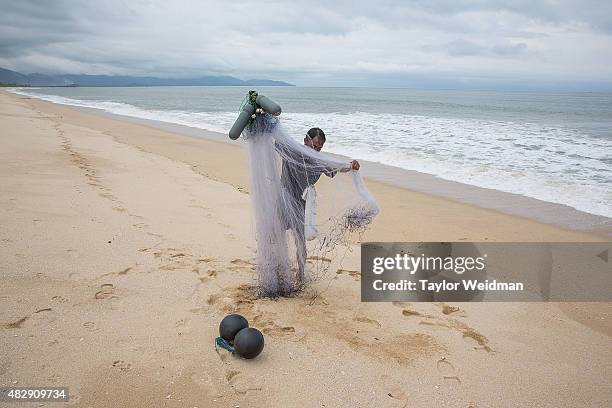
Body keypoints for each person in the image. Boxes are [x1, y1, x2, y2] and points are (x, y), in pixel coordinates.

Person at [276, 127, 360, 286]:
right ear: (306, 140)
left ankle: (300, 274)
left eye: (320, 147)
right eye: (314, 145)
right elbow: (276, 141)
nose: (316, 149)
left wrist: (351, 165)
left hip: (301, 204)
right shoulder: (292, 151)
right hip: (284, 199)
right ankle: (277, 268)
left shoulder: (318, 161)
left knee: (300, 241)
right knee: (277, 235)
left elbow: (336, 167)